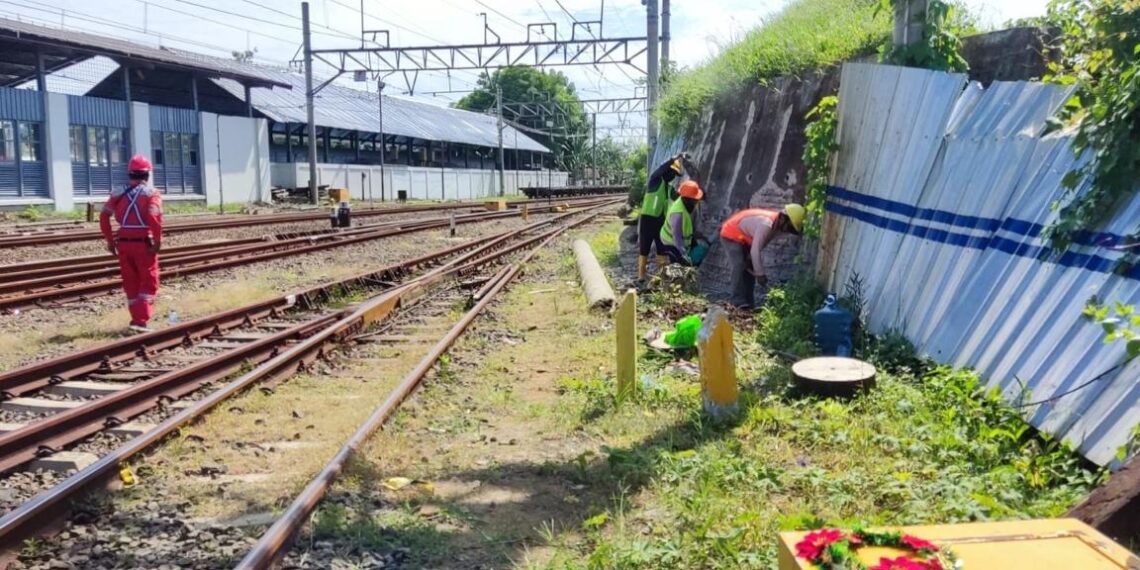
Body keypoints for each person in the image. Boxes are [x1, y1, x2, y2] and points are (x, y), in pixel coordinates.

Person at [100, 155, 164, 333]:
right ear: (147, 175)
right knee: (149, 281)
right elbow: (154, 216)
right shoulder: (152, 193)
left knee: (131, 281)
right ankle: (140, 321)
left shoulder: (118, 193)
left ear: (130, 173)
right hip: (143, 243)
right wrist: (158, 240)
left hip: (123, 243)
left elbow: (104, 216)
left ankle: (135, 318)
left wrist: (110, 240)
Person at [718, 204, 804, 309]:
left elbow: (759, 245)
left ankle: (748, 303)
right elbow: (755, 250)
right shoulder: (766, 224)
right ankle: (737, 301)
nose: (788, 231)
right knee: (739, 265)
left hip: (745, 238)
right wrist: (760, 274)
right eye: (789, 227)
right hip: (731, 233)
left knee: (750, 267)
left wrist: (753, 265)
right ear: (782, 218)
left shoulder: (776, 227)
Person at [637, 152, 695, 282]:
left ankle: (660, 276)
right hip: (647, 219)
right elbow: (660, 169)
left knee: (661, 249)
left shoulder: (669, 188)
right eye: (672, 173)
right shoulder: (654, 180)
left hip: (660, 220)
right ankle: (641, 276)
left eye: (675, 175)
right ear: (667, 171)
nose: (673, 177)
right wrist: (673, 158)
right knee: (644, 247)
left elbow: (681, 197)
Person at [659, 180, 705, 266]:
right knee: (678, 265)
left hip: (684, 239)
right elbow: (677, 239)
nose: (697, 200)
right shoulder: (677, 214)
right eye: (695, 199)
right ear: (688, 199)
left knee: (696, 255)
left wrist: (699, 236)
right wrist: (684, 255)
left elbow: (690, 225)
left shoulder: (690, 205)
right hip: (670, 241)